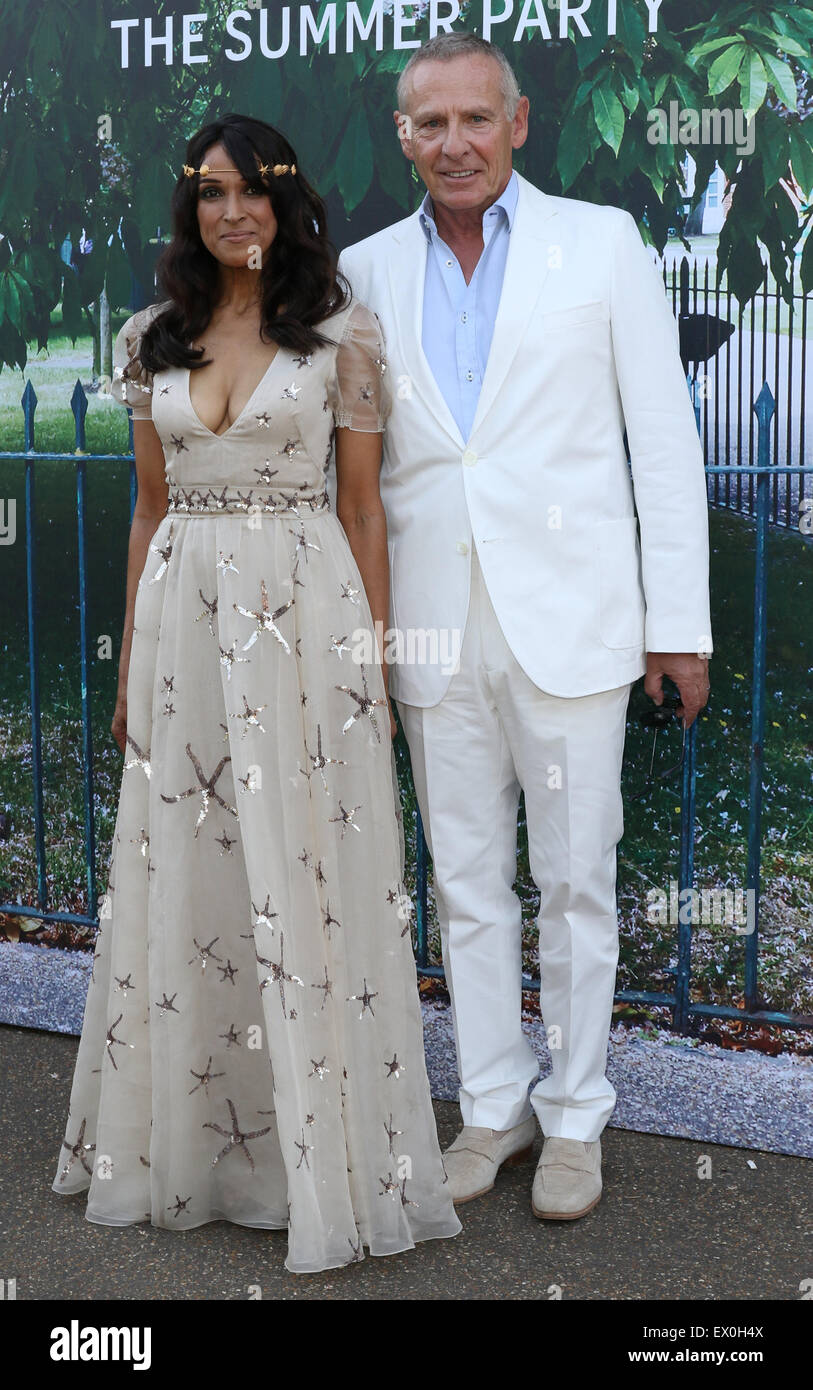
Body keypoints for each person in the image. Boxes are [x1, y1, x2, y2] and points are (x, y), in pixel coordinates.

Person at [51, 113, 461, 1273]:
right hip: (182, 621)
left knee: (307, 876)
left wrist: (370, 666)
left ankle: (315, 1160)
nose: (236, 213)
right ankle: (197, 1150)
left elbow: (365, 509)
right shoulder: (151, 336)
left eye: (257, 193)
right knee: (194, 867)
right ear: (192, 208)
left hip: (306, 619)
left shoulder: (341, 334)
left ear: (288, 205)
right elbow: (146, 508)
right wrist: (131, 663)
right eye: (214, 194)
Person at [338, 34, 712, 1219]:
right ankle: (491, 1107)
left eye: (474, 120)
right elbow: (366, 474)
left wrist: (679, 624)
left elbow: (662, 441)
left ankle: (575, 1116)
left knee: (577, 881)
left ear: (519, 121)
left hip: (575, 623)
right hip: (433, 633)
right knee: (465, 882)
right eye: (428, 124)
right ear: (404, 136)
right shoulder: (364, 272)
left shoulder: (599, 244)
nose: (453, 143)